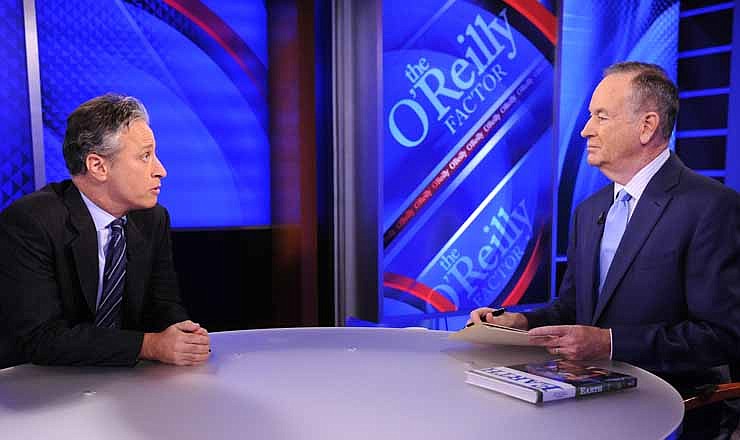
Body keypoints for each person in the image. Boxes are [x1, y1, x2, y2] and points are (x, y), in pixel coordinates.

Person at [470, 62, 740, 438]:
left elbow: (722, 335)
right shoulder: (589, 210)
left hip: (672, 413)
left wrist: (610, 343)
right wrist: (524, 323)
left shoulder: (712, 207)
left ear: (646, 126)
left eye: (601, 116)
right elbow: (573, 308)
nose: (585, 130)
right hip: (587, 410)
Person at [0, 94, 210, 368]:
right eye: (145, 156)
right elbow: (41, 337)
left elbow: (163, 303)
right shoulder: (31, 222)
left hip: (119, 380)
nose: (161, 170)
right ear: (98, 166)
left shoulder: (152, 218)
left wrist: (181, 333)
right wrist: (149, 345)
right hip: (34, 386)